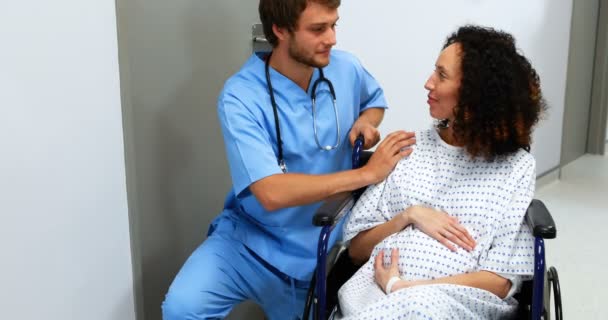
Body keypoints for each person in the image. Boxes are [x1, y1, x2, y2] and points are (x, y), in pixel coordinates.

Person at [161, 0, 416, 319]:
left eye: (334, 25)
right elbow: (271, 192)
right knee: (182, 308)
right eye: (318, 29)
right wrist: (365, 174)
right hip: (247, 242)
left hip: (316, 253)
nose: (332, 39)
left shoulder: (345, 67)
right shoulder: (241, 96)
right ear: (280, 31)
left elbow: (374, 101)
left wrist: (367, 121)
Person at [335, 25, 547, 319]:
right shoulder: (407, 149)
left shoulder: (514, 169)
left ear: (474, 97)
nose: (428, 83)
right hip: (374, 296)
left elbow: (499, 281)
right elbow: (356, 251)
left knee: (420, 309)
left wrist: (404, 288)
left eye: (441, 75)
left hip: (458, 305)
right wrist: (408, 215)